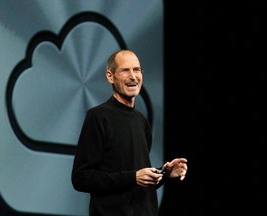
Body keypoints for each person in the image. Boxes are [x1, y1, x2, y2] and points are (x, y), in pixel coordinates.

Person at [71, 49, 188, 216]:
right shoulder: (98, 117)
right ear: (110, 76)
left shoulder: (142, 121)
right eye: (125, 70)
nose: (133, 76)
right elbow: (81, 178)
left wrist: (163, 173)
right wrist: (132, 177)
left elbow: (137, 178)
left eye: (137, 69)